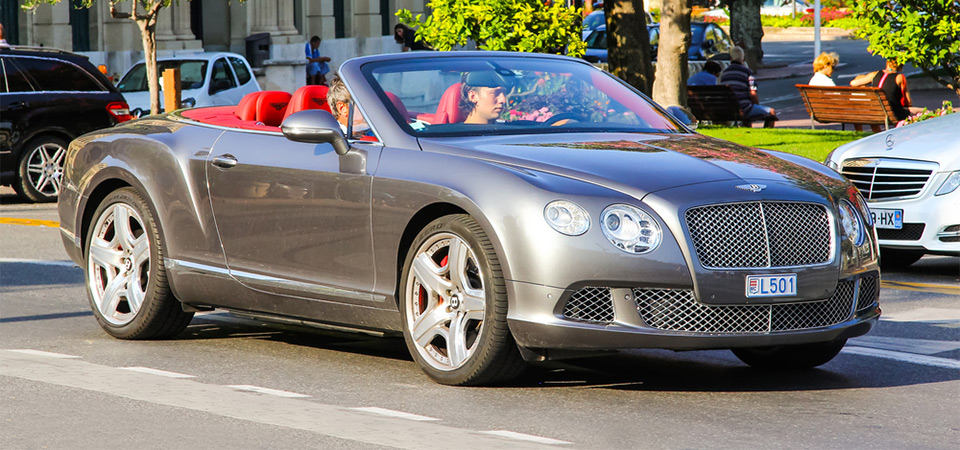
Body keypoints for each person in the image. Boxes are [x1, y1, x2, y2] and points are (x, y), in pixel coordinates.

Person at [719, 46, 777, 128]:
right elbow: (753, 93)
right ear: (743, 58)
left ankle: (747, 130)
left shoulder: (725, 73)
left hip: (728, 109)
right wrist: (756, 104)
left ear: (731, 58)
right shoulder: (747, 72)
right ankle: (767, 132)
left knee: (747, 113)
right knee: (771, 112)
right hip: (744, 108)